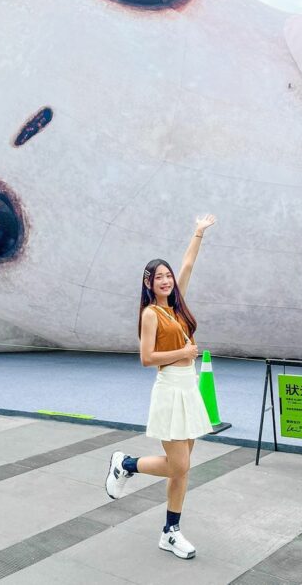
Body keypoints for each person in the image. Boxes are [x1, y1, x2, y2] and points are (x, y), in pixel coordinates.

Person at [105, 214, 216, 560]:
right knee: (179, 466)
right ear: (149, 284)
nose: (166, 280)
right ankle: (126, 464)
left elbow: (188, 262)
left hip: (190, 388)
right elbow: (146, 357)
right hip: (169, 389)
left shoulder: (178, 305)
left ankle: (171, 531)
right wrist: (183, 352)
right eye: (159, 278)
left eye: (168, 276)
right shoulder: (151, 314)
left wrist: (198, 233)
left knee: (181, 469)